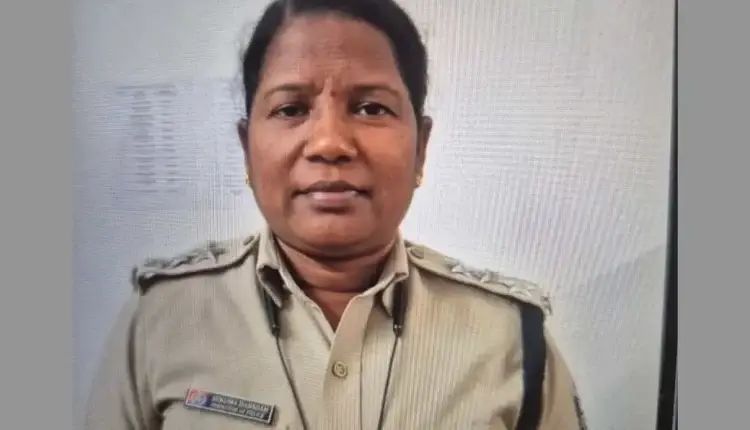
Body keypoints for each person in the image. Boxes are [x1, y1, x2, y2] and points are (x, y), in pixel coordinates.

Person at [85, 0, 587, 429]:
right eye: (290, 109)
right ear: (246, 149)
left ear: (421, 148)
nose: (329, 143)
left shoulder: (510, 338)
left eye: (371, 108)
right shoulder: (162, 321)